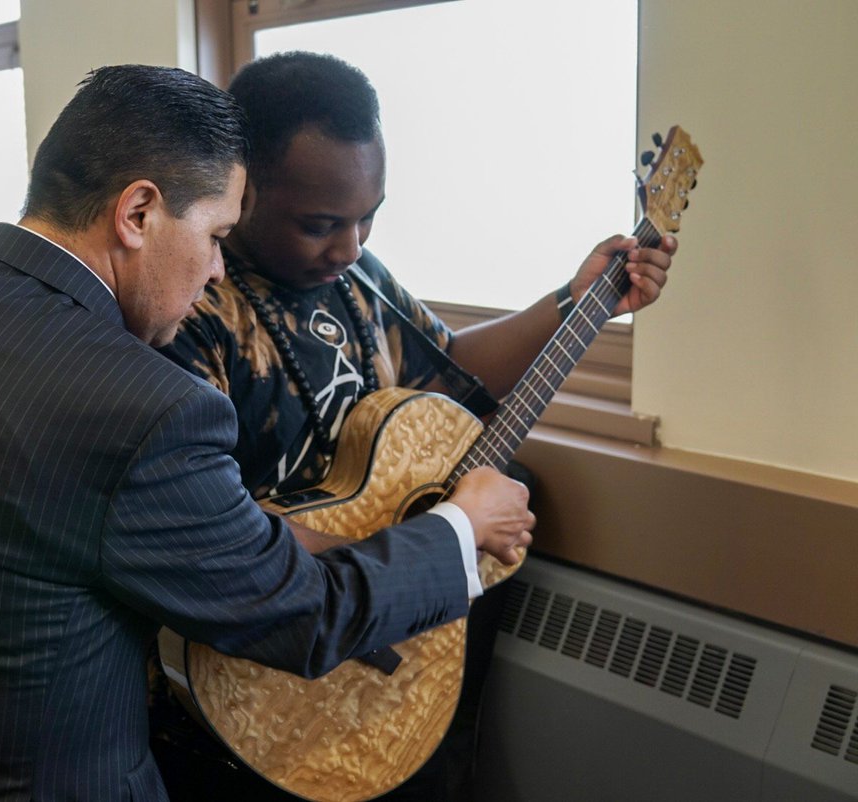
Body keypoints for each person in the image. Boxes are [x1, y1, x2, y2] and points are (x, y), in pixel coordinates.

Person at [0, 64, 534, 802]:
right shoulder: (145, 406)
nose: (216, 273)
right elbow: (301, 611)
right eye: (215, 236)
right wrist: (461, 529)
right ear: (137, 214)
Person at [152, 52, 678, 800]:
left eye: (371, 216)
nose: (352, 245)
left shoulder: (355, 273)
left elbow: (449, 369)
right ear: (242, 186)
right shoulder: (193, 311)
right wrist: (422, 553)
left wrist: (574, 299)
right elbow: (209, 526)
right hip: (264, 654)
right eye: (321, 224)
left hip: (383, 616)